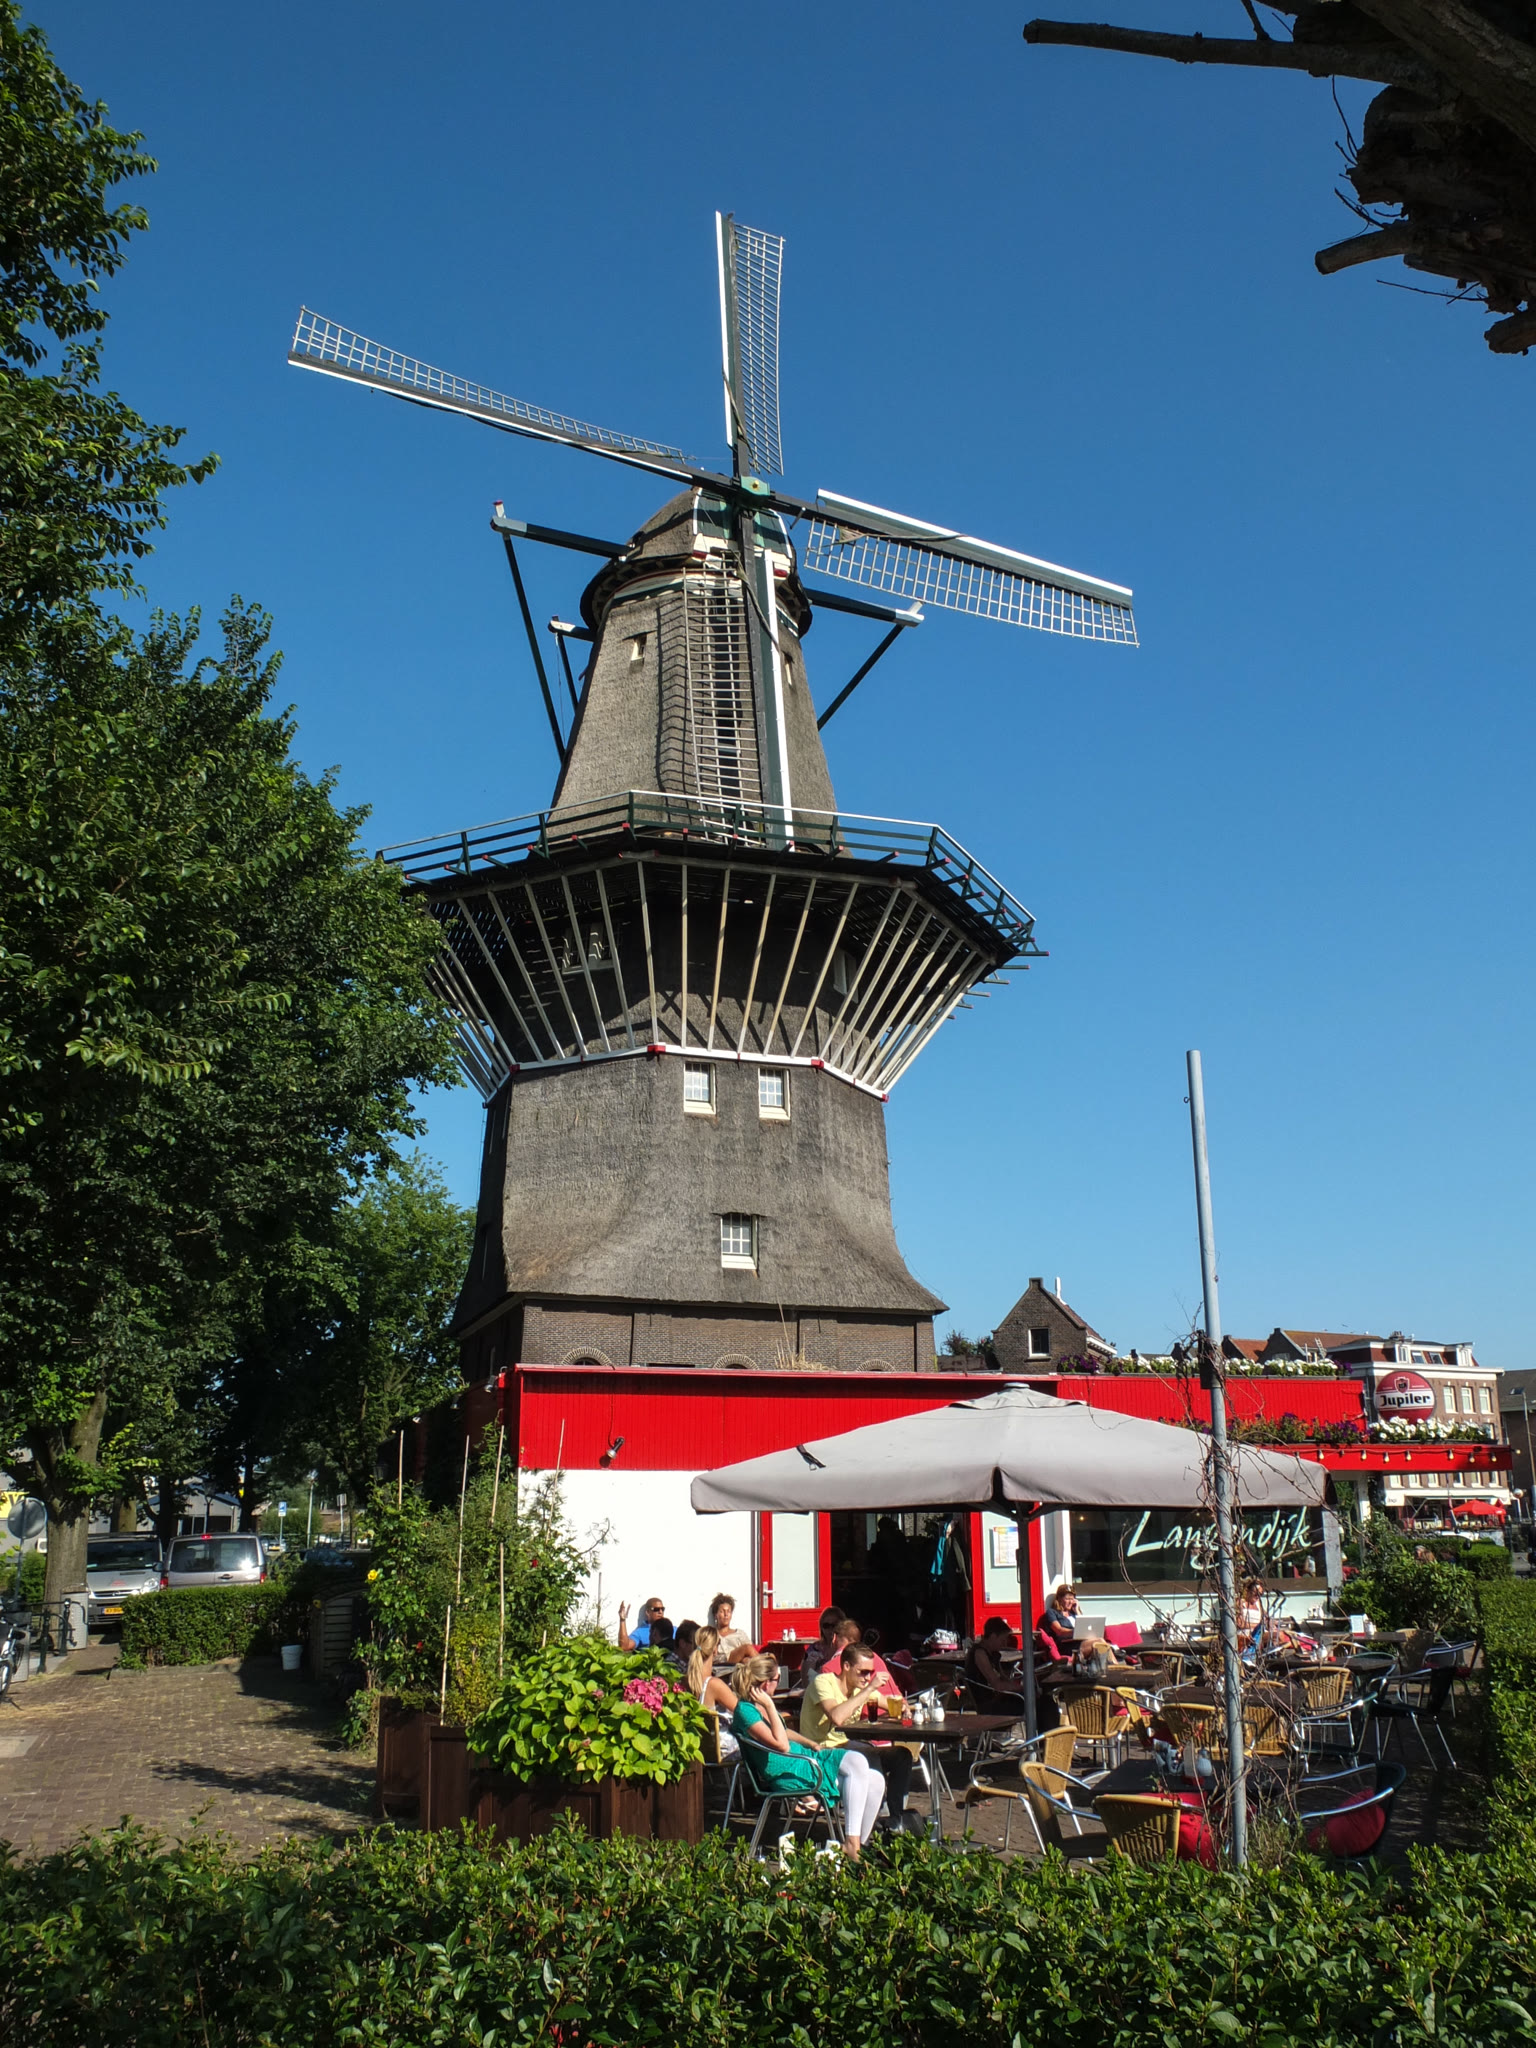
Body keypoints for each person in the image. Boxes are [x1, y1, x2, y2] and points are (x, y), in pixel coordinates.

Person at [730, 1653, 885, 1859]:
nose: (779, 1683)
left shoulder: (758, 1707)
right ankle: (852, 1845)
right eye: (778, 1679)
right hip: (789, 1771)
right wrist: (769, 1706)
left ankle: (858, 1846)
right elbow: (781, 1745)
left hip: (802, 1760)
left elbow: (783, 1732)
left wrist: (810, 1743)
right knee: (858, 1762)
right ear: (766, 1683)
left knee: (876, 1779)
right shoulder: (746, 1710)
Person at [799, 1639, 915, 1827]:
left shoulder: (860, 1689)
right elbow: (837, 1716)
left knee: (901, 1755)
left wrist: (905, 1708)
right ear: (846, 1666)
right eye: (863, 1672)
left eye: (871, 1672)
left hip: (847, 1748)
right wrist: (869, 1689)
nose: (867, 1678)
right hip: (820, 1753)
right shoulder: (824, 1682)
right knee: (869, 1757)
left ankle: (895, 1820)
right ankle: (868, 1824)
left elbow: (893, 1705)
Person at [687, 1625, 740, 1759]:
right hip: (725, 1752)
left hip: (700, 1750)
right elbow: (744, 1713)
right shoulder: (714, 1685)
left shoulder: (685, 1681)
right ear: (715, 1649)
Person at [965, 1616, 1025, 1711]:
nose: (1005, 1644)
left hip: (997, 1698)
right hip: (987, 1703)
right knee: (1031, 1704)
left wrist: (1018, 1687)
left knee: (1036, 1701)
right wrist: (1021, 1688)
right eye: (1002, 1640)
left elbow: (1003, 1678)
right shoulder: (980, 1653)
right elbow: (997, 1685)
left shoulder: (994, 1654)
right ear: (993, 1637)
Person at [800, 1605, 847, 1685]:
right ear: (821, 1627)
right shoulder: (814, 1649)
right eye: (826, 1626)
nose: (831, 1629)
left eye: (835, 1625)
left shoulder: (848, 1648)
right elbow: (806, 1678)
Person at [708, 1592, 754, 1662]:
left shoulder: (740, 1634)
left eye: (728, 1611)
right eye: (722, 1611)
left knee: (746, 1660)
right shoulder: (711, 1635)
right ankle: (766, 1665)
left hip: (738, 1664)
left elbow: (751, 1652)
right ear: (715, 1615)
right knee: (747, 1648)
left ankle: (764, 1665)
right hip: (720, 1663)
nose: (726, 1614)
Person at [1039, 1585, 1080, 1654]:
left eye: (1072, 1599)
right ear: (1059, 1599)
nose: (1070, 1602)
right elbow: (1059, 1631)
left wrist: (1077, 1611)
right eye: (1067, 1599)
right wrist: (1076, 1632)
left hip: (1078, 1641)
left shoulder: (1074, 1613)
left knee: (1097, 1641)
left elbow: (1085, 1626)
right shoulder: (1052, 1612)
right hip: (1064, 1645)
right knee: (1094, 1644)